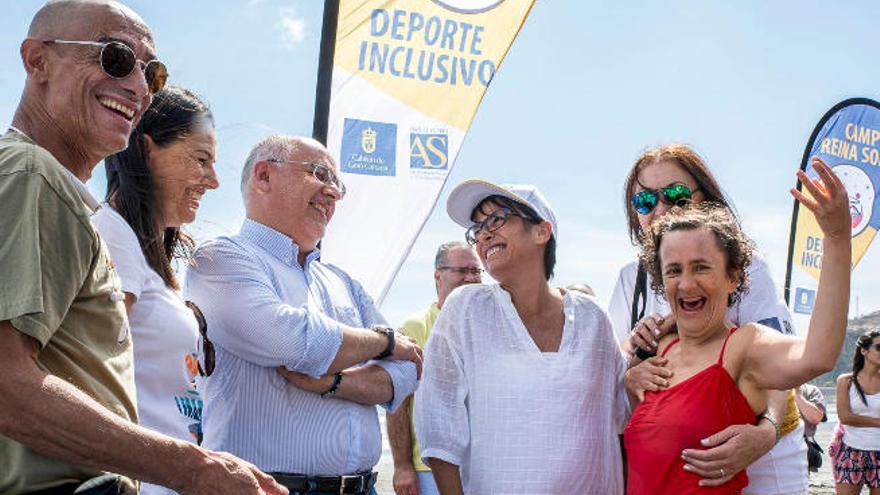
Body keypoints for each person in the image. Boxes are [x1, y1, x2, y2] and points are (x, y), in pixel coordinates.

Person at [0, 1, 285, 494]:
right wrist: (193, 469)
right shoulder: (33, 175)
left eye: (151, 73)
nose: (137, 86)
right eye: (114, 57)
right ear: (37, 61)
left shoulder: (56, 191)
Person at [184, 135, 422, 495]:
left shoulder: (343, 281)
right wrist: (383, 342)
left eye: (337, 183)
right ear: (263, 176)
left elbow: (406, 372)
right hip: (265, 487)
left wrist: (335, 382)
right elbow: (292, 340)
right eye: (320, 174)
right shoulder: (219, 259)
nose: (334, 193)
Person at [623, 157, 850, 494]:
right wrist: (630, 372)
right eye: (674, 271)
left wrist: (837, 238)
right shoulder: (662, 348)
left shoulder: (744, 345)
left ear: (733, 278)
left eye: (701, 268)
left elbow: (817, 356)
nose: (686, 284)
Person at [415, 181, 629, 494]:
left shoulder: (592, 317)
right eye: (477, 229)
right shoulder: (466, 310)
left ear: (542, 231)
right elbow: (438, 426)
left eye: (496, 219)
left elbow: (622, 410)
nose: (483, 234)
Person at [92, 85, 219, 494]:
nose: (213, 181)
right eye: (201, 160)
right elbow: (84, 381)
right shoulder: (112, 237)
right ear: (146, 150)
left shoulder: (142, 251)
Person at [388, 242, 482, 495]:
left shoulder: (488, 325)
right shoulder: (413, 328)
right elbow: (397, 405)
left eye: (476, 271)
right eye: (462, 270)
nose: (471, 278)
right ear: (437, 276)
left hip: (482, 467)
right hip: (429, 468)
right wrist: (402, 465)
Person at [830, 329, 880, 494]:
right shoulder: (846, 381)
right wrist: (877, 422)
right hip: (850, 450)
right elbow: (845, 417)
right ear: (864, 350)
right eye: (879, 347)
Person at [796, 383, 827, 473]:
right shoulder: (770, 387)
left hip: (803, 448)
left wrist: (797, 394)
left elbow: (816, 417)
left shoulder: (810, 390)